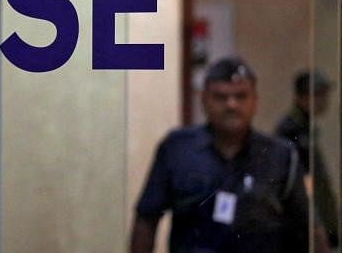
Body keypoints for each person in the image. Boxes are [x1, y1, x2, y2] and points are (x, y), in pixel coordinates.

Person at [130, 57, 308, 253]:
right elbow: (146, 219)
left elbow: (305, 228)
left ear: (255, 101)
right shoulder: (177, 149)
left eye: (240, 96)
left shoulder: (280, 155)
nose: (231, 105)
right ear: (204, 100)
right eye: (220, 97)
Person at [275, 70, 338, 248]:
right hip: (301, 225)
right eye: (320, 95)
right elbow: (302, 186)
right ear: (305, 97)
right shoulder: (292, 131)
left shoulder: (305, 128)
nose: (325, 101)